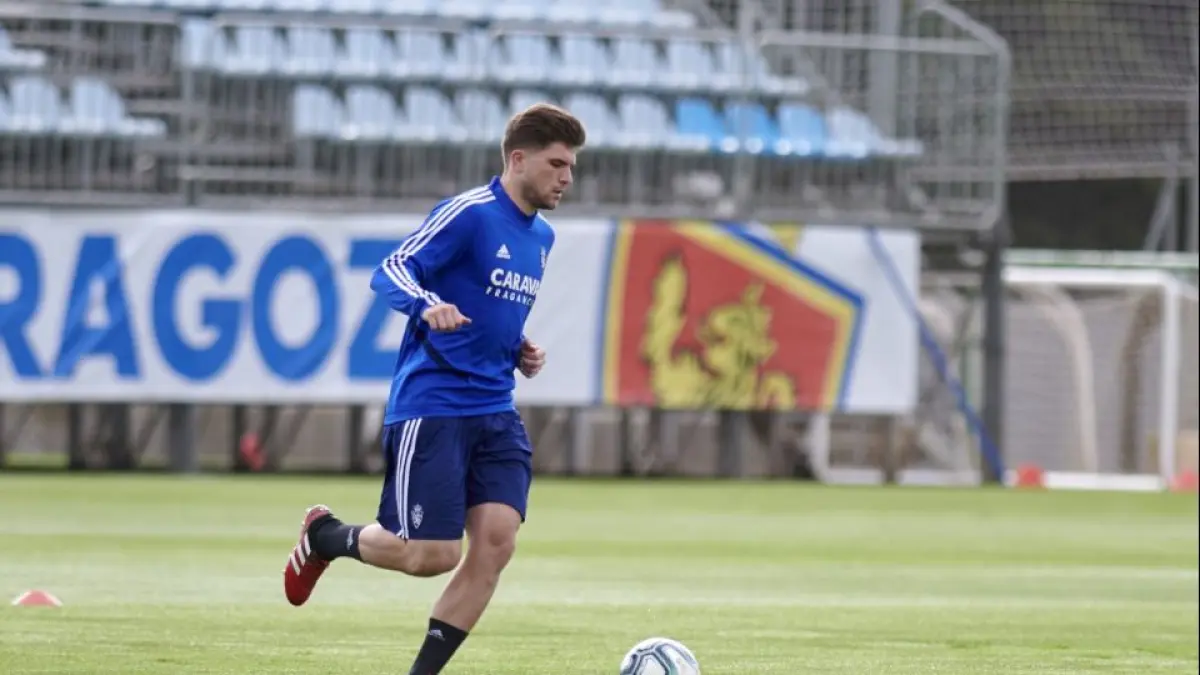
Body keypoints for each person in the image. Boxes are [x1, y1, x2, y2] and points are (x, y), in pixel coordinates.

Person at [281, 103, 587, 675]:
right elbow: (392, 267)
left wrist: (518, 348)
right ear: (518, 159)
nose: (567, 177)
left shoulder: (542, 237)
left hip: (495, 408)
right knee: (431, 556)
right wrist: (426, 303)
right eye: (557, 164)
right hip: (435, 404)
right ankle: (324, 537)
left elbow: (490, 309)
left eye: (571, 166)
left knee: (496, 544)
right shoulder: (469, 214)